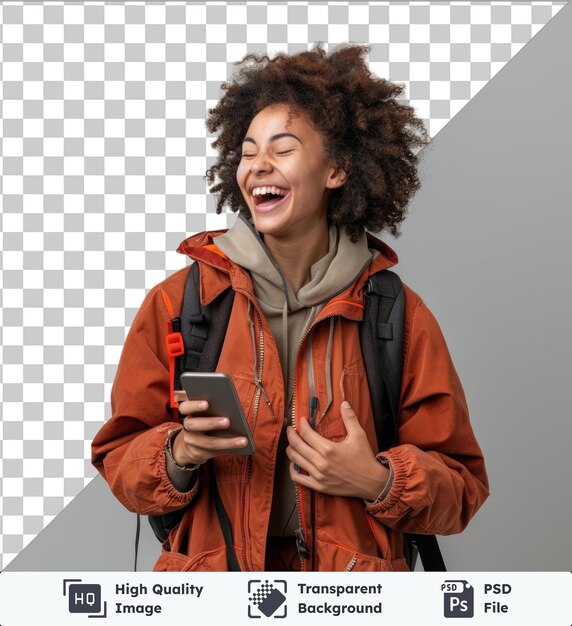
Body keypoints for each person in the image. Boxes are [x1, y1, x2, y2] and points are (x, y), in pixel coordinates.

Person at [92, 43, 489, 572]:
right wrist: (181, 452)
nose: (258, 166)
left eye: (283, 149)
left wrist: (378, 479)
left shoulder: (395, 314)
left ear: (338, 170)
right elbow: (120, 458)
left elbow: (460, 486)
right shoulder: (178, 302)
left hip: (351, 601)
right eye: (248, 150)